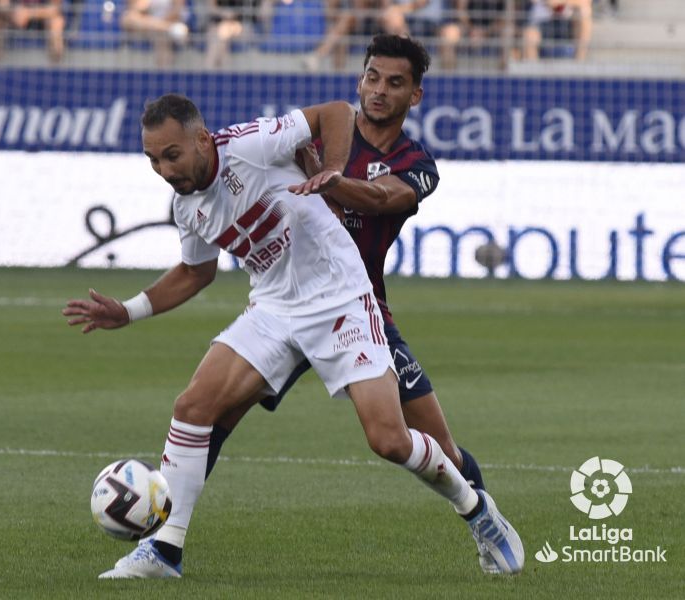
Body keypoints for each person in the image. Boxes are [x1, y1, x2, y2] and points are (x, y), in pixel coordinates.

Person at [63, 94, 524, 577]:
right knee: (193, 407)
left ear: (201, 139)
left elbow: (337, 112)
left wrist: (333, 171)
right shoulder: (187, 207)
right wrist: (129, 311)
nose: (163, 168)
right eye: (153, 159)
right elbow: (195, 273)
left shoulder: (252, 144)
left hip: (341, 298)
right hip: (275, 309)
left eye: (171, 155)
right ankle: (163, 550)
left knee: (389, 440)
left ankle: (478, 513)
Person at [204, 34, 517, 576]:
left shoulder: (416, 161)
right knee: (214, 413)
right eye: (372, 77)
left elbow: (383, 197)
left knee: (437, 444)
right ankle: (163, 530)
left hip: (360, 311)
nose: (379, 90)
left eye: (395, 83)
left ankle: (484, 522)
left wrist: (333, 183)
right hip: (291, 305)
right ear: (360, 79)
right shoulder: (323, 131)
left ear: (414, 96)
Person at [120, 0, 189, 68]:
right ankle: (169, 29)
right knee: (129, 19)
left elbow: (176, 11)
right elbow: (137, 9)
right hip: (150, 24)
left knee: (161, 37)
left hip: (168, 22)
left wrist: (157, 24)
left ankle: (163, 74)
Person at [0, 0, 66, 63]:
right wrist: (13, 13)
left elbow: (55, 9)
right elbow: (2, 6)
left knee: (57, 22)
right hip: (15, 16)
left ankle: (56, 66)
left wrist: (29, 13)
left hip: (41, 18)